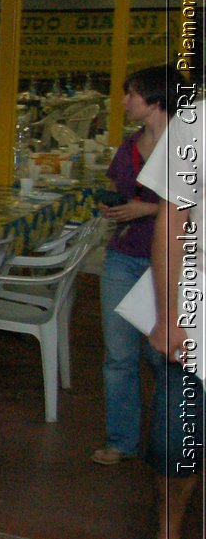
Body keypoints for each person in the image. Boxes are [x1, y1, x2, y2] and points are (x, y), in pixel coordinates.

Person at [117, 105, 202, 539]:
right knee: (174, 434)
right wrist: (169, 312)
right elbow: (172, 218)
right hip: (200, 294)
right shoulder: (196, 124)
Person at [93, 65, 175, 466]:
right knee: (119, 354)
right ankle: (121, 439)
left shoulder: (189, 147)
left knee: (164, 358)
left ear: (155, 100)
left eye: (132, 95)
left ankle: (165, 441)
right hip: (124, 257)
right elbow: (118, 189)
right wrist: (114, 205)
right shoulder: (128, 148)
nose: (125, 102)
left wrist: (146, 208)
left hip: (171, 262)